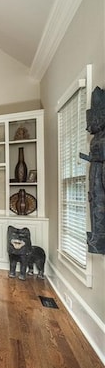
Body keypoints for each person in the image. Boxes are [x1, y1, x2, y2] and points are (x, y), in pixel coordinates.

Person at [83, 86, 105, 253]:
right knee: (95, 202)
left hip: (99, 171)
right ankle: (97, 238)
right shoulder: (96, 138)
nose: (89, 126)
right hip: (95, 172)